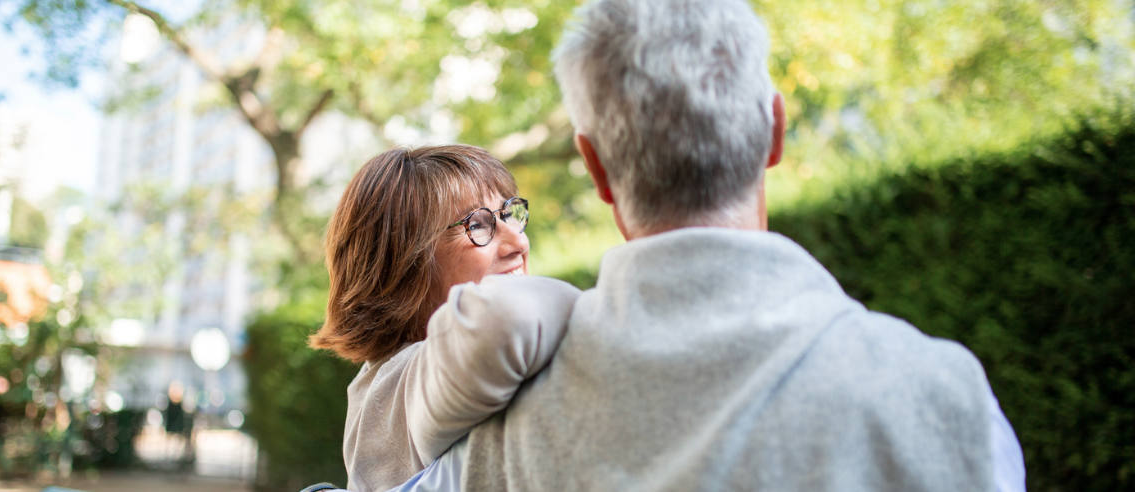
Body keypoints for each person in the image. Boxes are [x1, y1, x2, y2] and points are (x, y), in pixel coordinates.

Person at [316, 0, 1026, 491]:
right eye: (478, 225)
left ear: (595, 167)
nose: (510, 238)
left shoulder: (491, 442)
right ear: (775, 131)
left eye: (509, 214)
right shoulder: (944, 398)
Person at [307, 145, 580, 491]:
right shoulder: (396, 383)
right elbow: (503, 318)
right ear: (406, 267)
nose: (518, 241)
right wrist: (600, 310)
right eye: (479, 225)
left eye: (510, 213)